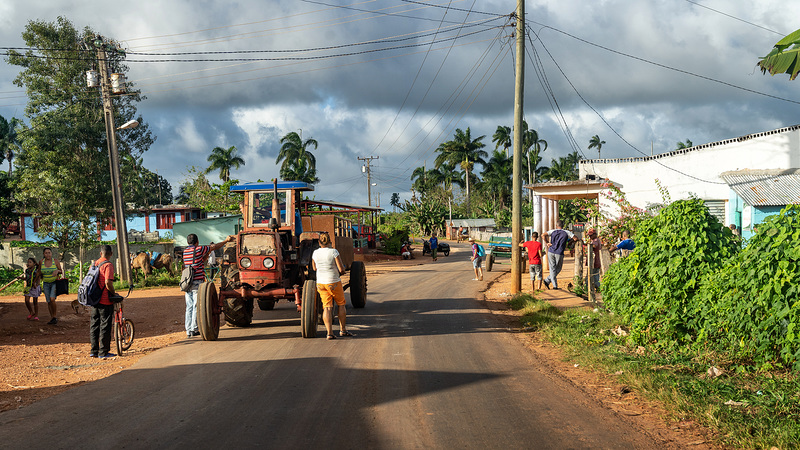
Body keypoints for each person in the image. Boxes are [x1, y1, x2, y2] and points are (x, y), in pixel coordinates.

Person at [183, 234, 234, 338]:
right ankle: (194, 328)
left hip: (187, 282)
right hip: (197, 282)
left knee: (189, 306)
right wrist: (226, 241)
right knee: (197, 305)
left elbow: (200, 260)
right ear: (197, 242)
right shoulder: (199, 249)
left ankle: (188, 330)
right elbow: (214, 247)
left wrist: (208, 253)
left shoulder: (186, 252)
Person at [311, 233, 352, 340]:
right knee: (341, 305)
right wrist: (342, 272)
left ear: (319, 242)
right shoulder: (333, 252)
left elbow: (314, 268)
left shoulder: (315, 253)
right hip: (333, 282)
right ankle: (342, 330)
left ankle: (329, 333)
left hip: (321, 283)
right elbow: (341, 269)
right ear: (330, 241)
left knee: (327, 307)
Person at [89, 245, 118, 358]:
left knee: (94, 325)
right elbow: (108, 283)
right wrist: (114, 293)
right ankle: (103, 352)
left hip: (94, 299)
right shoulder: (108, 265)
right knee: (105, 326)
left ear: (101, 253)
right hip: (105, 300)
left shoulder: (94, 264)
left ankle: (94, 351)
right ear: (111, 254)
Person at [542, 220, 578, 290]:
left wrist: (547, 242)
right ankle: (555, 286)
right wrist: (570, 242)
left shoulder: (552, 231)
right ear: (563, 226)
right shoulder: (566, 232)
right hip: (559, 252)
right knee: (558, 269)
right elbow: (576, 238)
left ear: (556, 225)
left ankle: (547, 280)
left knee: (552, 268)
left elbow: (543, 235)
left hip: (551, 251)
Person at [39, 248, 63, 325]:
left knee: (52, 299)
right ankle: (52, 317)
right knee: (48, 301)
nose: (48, 254)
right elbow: (39, 272)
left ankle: (55, 316)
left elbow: (61, 271)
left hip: (54, 283)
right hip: (45, 283)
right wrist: (36, 282)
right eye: (46, 253)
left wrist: (57, 271)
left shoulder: (55, 261)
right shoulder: (41, 262)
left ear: (51, 253)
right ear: (43, 254)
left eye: (49, 253)